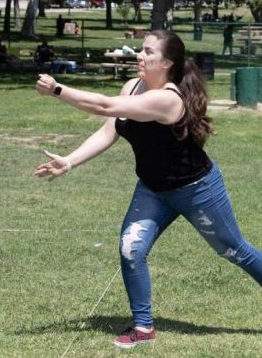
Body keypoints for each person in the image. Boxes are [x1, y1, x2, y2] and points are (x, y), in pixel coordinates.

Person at [34, 30, 262, 349]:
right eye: (141, 50)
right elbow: (109, 128)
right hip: (153, 189)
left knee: (235, 250)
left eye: (148, 52)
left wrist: (58, 89)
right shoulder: (133, 86)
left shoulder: (167, 98)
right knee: (131, 249)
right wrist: (69, 162)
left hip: (197, 190)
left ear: (167, 62)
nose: (140, 56)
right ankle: (143, 328)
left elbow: (102, 105)